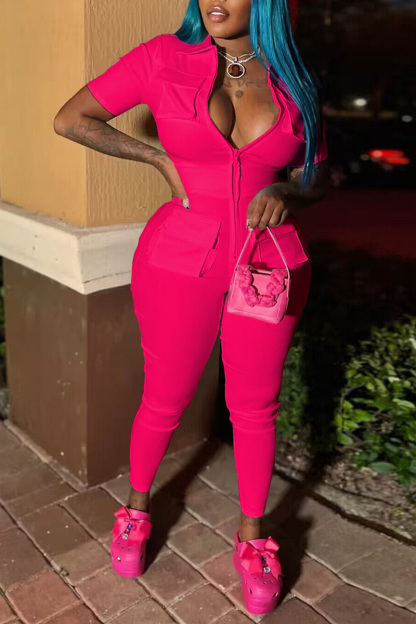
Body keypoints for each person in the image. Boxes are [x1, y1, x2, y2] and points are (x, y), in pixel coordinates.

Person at [54, 0, 329, 615]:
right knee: (166, 396)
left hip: (267, 263)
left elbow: (317, 174)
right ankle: (136, 510)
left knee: (255, 405)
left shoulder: (295, 78)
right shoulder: (163, 58)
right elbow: (71, 119)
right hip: (179, 255)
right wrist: (156, 157)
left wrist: (287, 189)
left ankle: (254, 539)